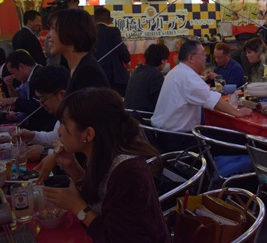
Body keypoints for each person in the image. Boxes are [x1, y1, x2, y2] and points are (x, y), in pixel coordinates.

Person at [42, 88, 170, 242]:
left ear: (88, 134)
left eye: (64, 124)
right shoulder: (101, 154)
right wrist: (72, 167)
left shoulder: (128, 171)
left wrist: (77, 206)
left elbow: (117, 237)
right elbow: (97, 199)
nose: (60, 131)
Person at [152, 40, 252, 151]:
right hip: (180, 140)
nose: (205, 57)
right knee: (247, 142)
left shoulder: (176, 71)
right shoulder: (187, 76)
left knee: (225, 135)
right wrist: (237, 113)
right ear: (190, 58)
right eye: (203, 54)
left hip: (165, 134)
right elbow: (212, 100)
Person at [47, 9, 110, 94]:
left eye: (53, 28)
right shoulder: (76, 67)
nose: (48, 35)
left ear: (70, 31)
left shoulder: (88, 72)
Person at [13, 65, 69, 161]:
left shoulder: (76, 115)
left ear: (61, 94)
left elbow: (74, 154)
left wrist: (46, 152)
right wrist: (33, 135)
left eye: (43, 99)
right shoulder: (62, 112)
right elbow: (56, 137)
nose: (41, 105)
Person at [0, 50, 56, 132]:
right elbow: (19, 97)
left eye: (13, 73)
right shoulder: (27, 79)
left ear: (21, 67)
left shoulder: (40, 76)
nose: (13, 77)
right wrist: (10, 87)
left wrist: (15, 101)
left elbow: (39, 106)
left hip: (45, 128)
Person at [93, 7, 131, 97]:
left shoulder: (90, 32)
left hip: (95, 74)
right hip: (113, 76)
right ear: (110, 20)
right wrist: (127, 60)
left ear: (94, 19)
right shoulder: (112, 31)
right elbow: (121, 48)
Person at [125, 44, 169, 114]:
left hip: (130, 115)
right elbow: (160, 102)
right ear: (163, 60)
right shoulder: (156, 75)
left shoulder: (136, 70)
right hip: (145, 118)